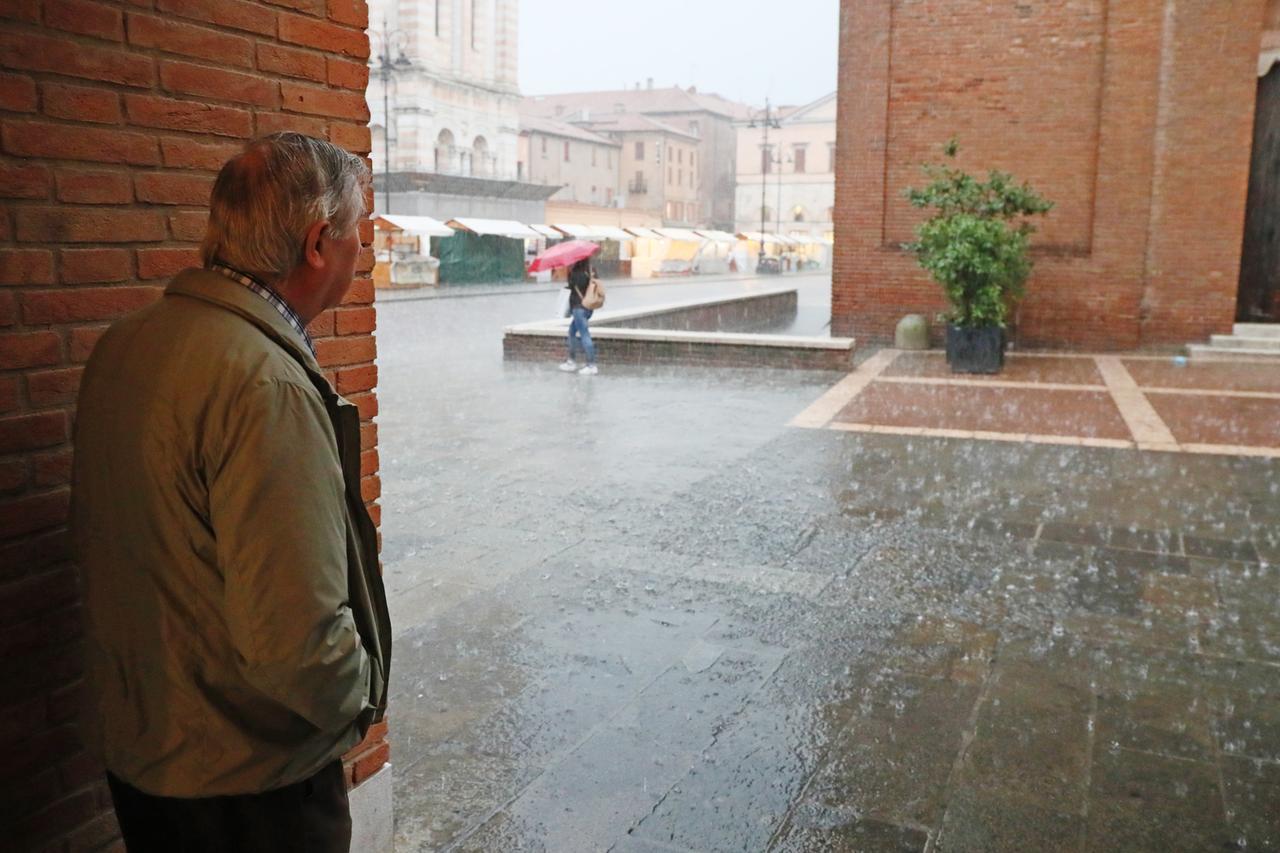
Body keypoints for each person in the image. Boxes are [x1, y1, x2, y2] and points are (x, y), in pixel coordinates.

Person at [71, 133, 392, 853]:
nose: (358, 254)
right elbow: (298, 639)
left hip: (149, 747)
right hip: (250, 781)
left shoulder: (126, 342)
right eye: (356, 234)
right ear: (318, 243)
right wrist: (360, 695)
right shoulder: (264, 383)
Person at [559, 257, 598, 375]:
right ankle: (571, 360)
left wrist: (569, 272)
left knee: (584, 334)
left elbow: (571, 287)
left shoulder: (575, 272)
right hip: (589, 306)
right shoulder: (592, 270)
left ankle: (590, 365)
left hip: (578, 307)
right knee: (571, 332)